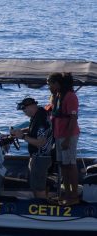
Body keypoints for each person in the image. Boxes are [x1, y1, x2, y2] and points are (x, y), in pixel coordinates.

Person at [47, 72, 80, 205]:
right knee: (62, 165)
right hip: (58, 135)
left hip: (69, 135)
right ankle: (66, 193)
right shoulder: (57, 96)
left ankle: (74, 196)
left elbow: (73, 118)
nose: (49, 87)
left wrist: (67, 139)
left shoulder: (71, 97)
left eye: (50, 84)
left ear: (57, 83)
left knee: (70, 165)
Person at [11, 97, 53, 199]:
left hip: (41, 158)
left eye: (24, 109)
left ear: (32, 106)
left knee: (39, 188)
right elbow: (32, 129)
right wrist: (20, 131)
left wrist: (23, 136)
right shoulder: (37, 115)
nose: (24, 112)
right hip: (37, 157)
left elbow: (41, 143)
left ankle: (41, 209)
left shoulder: (41, 120)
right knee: (35, 185)